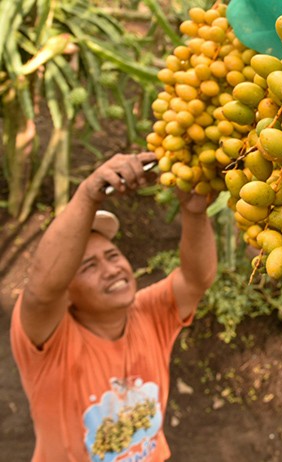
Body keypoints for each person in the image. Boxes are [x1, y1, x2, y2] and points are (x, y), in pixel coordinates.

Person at [10, 152, 218, 461]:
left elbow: (196, 279)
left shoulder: (148, 313)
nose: (111, 270)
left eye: (112, 255)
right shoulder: (49, 344)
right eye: (88, 266)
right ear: (65, 294)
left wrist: (195, 213)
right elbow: (41, 293)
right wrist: (88, 195)